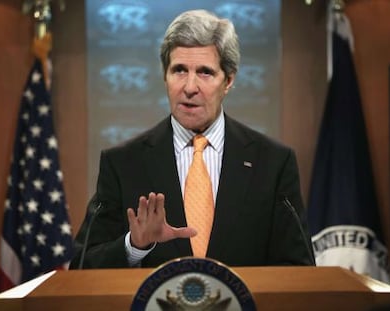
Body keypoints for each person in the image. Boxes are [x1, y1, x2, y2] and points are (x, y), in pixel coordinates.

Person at [70, 9, 315, 269]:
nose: (189, 87)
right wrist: (134, 246)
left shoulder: (272, 163)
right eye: (179, 70)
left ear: (228, 80)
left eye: (205, 72)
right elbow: (83, 265)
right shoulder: (123, 163)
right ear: (165, 76)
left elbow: (298, 266)